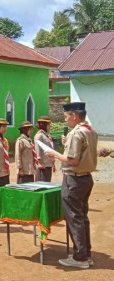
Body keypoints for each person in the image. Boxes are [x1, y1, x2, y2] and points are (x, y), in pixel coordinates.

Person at [45, 102, 98, 269]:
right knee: (82, 216)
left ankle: (80, 257)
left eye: (67, 116)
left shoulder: (76, 134)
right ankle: (85, 253)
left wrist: (55, 155)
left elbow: (73, 160)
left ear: (75, 116)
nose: (65, 119)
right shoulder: (89, 131)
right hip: (86, 179)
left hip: (74, 179)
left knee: (74, 218)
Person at [34, 116, 55, 182]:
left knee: (47, 182)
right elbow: (37, 149)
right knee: (42, 183)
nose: (49, 126)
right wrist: (39, 162)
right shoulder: (39, 135)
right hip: (43, 164)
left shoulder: (46, 135)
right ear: (44, 125)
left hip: (48, 163)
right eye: (48, 124)